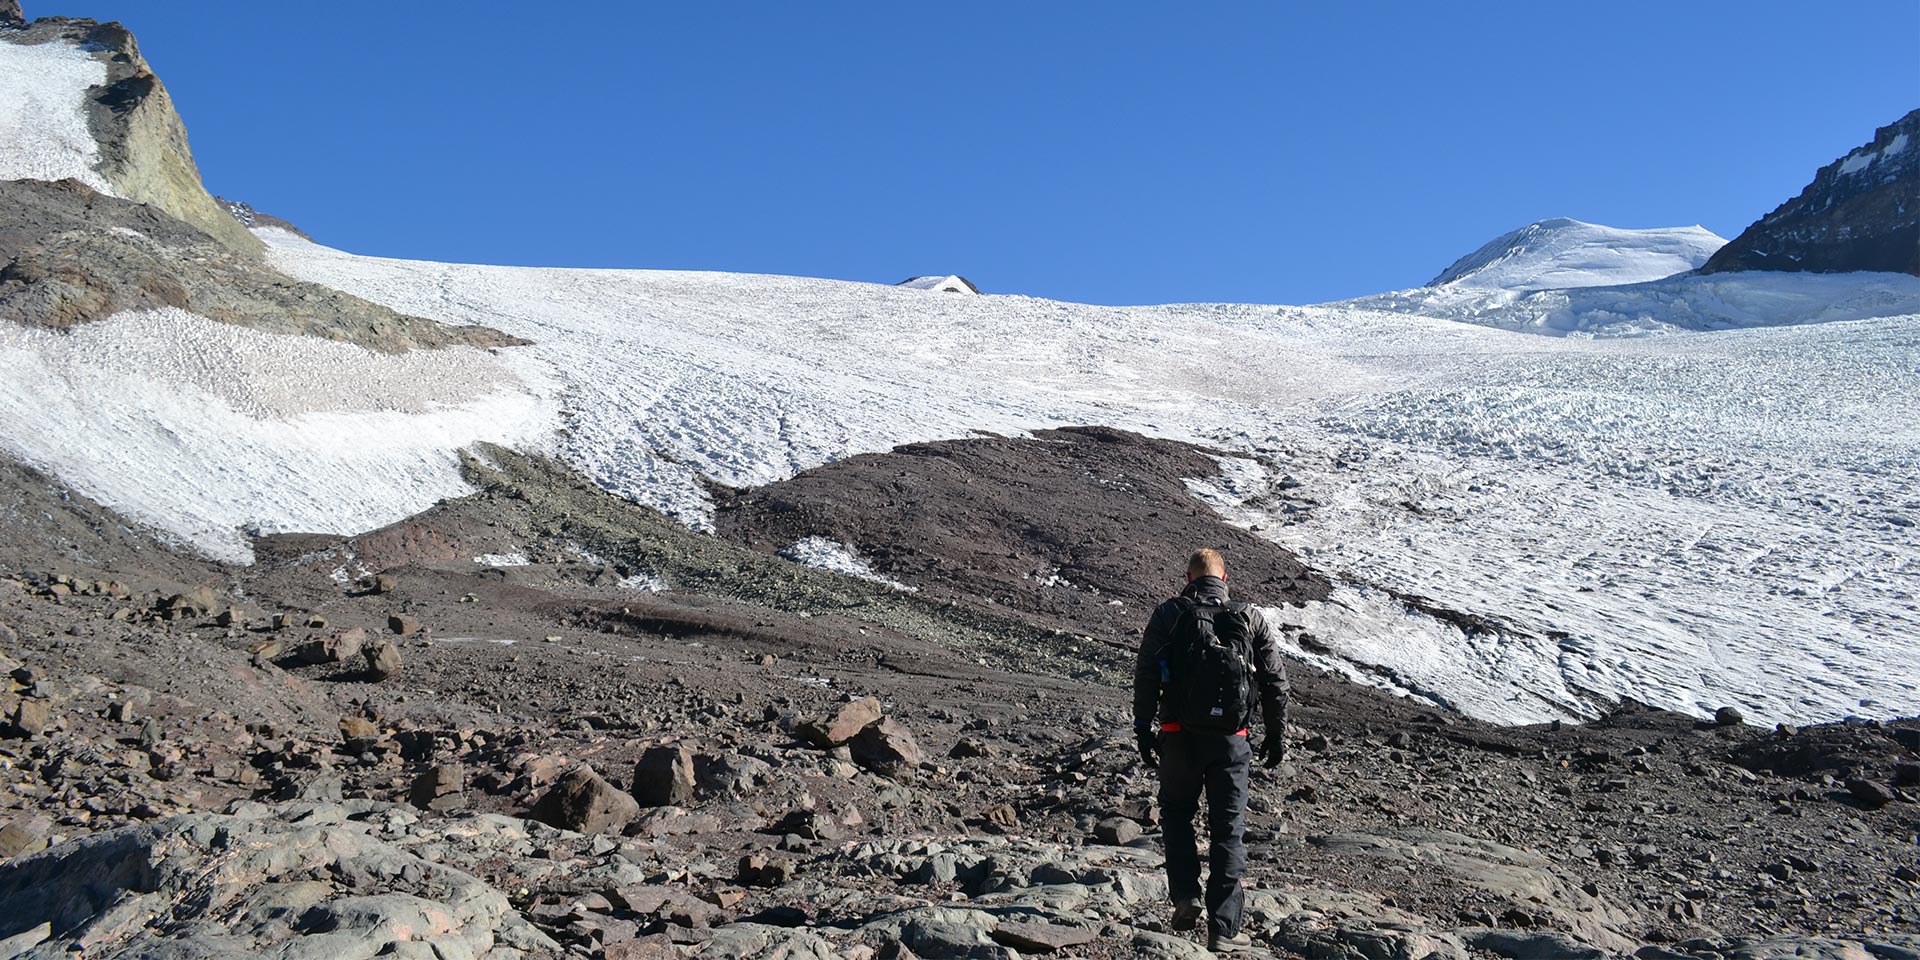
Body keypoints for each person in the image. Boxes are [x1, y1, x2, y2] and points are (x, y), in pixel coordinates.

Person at [1133, 548, 1290, 953]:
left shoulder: (1170, 614)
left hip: (1178, 734)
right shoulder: (1249, 617)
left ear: (1188, 578)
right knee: (1228, 829)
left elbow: (1147, 673)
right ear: (1226, 578)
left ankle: (1186, 895)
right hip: (1232, 739)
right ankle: (1222, 927)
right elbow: (1274, 682)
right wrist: (1276, 736)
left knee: (1177, 815)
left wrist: (1143, 729)